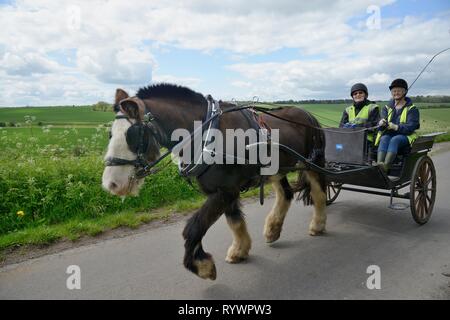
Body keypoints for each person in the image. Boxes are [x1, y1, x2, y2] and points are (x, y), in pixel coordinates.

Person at [374, 79, 420, 172]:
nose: (396, 93)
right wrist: (381, 123)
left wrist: (396, 127)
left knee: (395, 139)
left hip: (406, 136)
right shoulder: (386, 108)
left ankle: (385, 166)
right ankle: (379, 165)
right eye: (394, 91)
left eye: (399, 90)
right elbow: (380, 125)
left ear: (405, 92)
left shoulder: (412, 109)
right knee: (384, 138)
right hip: (389, 135)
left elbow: (411, 127)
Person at [340, 83, 380, 148]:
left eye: (360, 93)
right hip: (349, 139)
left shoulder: (373, 108)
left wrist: (357, 127)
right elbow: (341, 126)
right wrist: (345, 127)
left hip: (366, 141)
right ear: (352, 97)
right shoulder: (347, 110)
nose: (358, 95)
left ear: (366, 95)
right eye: (355, 94)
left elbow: (374, 125)